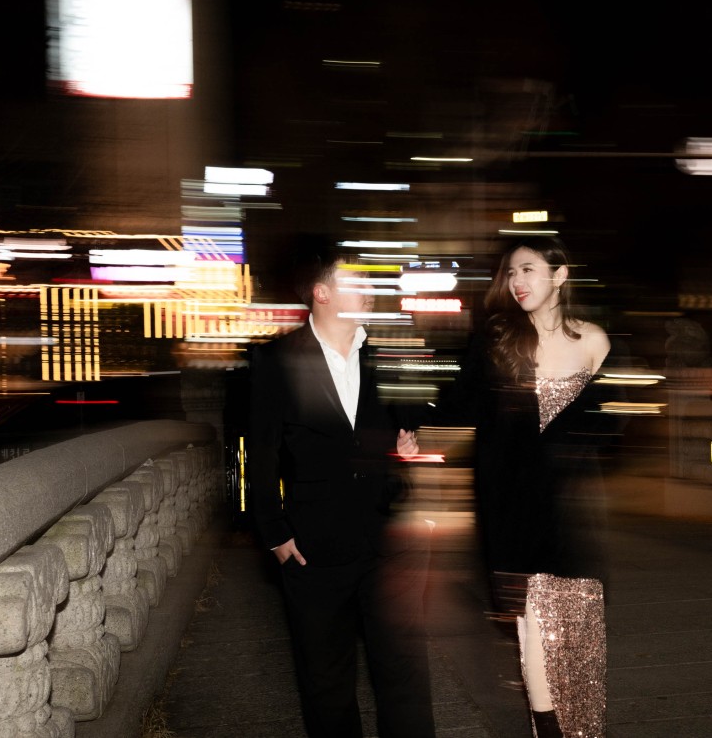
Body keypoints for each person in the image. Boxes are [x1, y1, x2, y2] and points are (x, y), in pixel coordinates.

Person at [417, 235, 625, 738]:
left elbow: (610, 426)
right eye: (511, 272)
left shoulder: (595, 342)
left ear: (560, 274)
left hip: (568, 519)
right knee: (535, 642)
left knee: (579, 650)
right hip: (512, 512)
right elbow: (458, 403)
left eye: (528, 269)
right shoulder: (498, 340)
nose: (516, 281)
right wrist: (411, 428)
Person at [247, 235, 435, 738]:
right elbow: (260, 453)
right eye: (357, 281)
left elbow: (418, 417)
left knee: (405, 672)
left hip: (391, 540)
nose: (369, 290)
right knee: (326, 680)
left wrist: (410, 442)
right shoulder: (276, 361)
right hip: (314, 546)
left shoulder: (387, 353)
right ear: (322, 292)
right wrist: (274, 532)